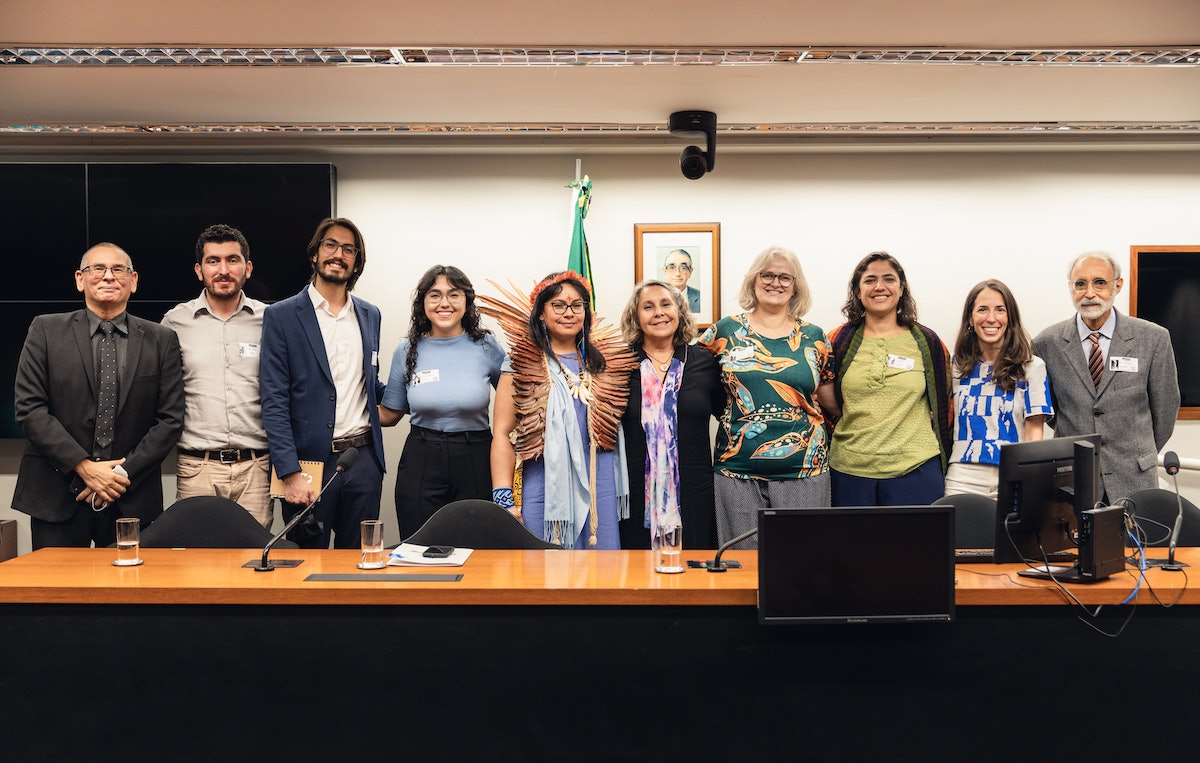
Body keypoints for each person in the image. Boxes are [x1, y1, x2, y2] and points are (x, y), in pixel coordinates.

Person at [12, 243, 184, 549]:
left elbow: (170, 419)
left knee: (131, 593)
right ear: (80, 279)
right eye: (98, 269)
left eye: (119, 269)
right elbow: (30, 409)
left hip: (130, 497)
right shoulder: (45, 330)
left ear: (133, 281)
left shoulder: (161, 339)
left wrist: (119, 474)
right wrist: (85, 467)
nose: (108, 276)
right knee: (56, 594)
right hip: (57, 493)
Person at [483, 271, 638, 549]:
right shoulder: (520, 364)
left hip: (598, 484)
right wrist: (503, 499)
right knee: (545, 575)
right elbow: (503, 435)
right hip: (544, 487)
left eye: (577, 305)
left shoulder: (604, 364)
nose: (569, 313)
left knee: (601, 576)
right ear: (540, 313)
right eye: (558, 305)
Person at [259, 217, 387, 548]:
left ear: (356, 261)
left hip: (362, 461)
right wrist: (289, 472)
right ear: (315, 253)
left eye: (349, 249)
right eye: (330, 245)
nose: (338, 254)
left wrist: (414, 389)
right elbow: (273, 400)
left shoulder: (370, 314)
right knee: (306, 563)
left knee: (360, 562)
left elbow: (366, 382)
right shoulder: (282, 316)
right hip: (308, 465)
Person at [699, 246, 833, 549]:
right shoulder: (725, 331)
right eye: (768, 274)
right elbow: (696, 386)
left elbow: (828, 395)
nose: (776, 282)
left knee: (803, 564)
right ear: (753, 280)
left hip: (805, 469)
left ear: (796, 285)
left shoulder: (815, 337)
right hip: (737, 470)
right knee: (741, 567)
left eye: (785, 277)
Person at [1032, 251, 1180, 503]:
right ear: (1070, 288)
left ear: (1118, 285)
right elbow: (1050, 410)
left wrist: (1136, 451)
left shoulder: (1153, 338)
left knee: (1135, 543)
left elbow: (1165, 407)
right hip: (1072, 478)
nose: (1089, 293)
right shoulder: (1047, 343)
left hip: (1134, 477)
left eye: (1099, 282)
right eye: (1080, 284)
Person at [380, 265, 506, 537]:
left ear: (467, 301)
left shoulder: (487, 346)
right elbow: (389, 415)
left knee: (476, 548)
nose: (444, 303)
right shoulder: (406, 350)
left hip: (476, 456)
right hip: (421, 457)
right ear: (422, 302)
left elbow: (515, 402)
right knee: (419, 547)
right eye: (435, 295)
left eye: (454, 294)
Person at [162, 224, 273, 527]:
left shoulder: (271, 320)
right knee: (197, 567)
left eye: (232, 260)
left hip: (256, 468)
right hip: (198, 467)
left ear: (247, 268)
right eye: (213, 261)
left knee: (253, 564)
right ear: (199, 270)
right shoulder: (174, 322)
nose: (223, 270)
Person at [825, 251, 952, 507]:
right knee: (851, 548)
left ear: (901, 288)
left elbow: (945, 405)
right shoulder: (837, 340)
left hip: (916, 470)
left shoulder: (928, 342)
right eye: (870, 280)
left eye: (889, 279)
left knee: (917, 548)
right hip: (849, 471)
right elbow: (823, 398)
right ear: (857, 290)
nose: (879, 287)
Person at [619, 279, 724, 550]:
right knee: (638, 579)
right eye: (648, 307)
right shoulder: (619, 365)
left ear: (679, 311)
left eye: (666, 304)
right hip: (635, 494)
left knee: (693, 577)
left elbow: (730, 417)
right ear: (635, 316)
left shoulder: (704, 362)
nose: (659, 313)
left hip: (694, 492)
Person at [944, 279, 1052, 498]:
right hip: (963, 475)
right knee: (960, 532)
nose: (991, 318)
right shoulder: (954, 366)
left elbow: (1034, 430)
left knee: (1011, 533)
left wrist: (1029, 478)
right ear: (970, 319)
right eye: (982, 309)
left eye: (1000, 310)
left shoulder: (1032, 367)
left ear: (1010, 317)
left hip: (1013, 472)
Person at [663, 248, 702, 313]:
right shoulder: (655, 297)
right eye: (672, 267)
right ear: (665, 271)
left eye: (683, 268)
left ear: (690, 272)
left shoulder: (701, 297)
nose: (677, 273)